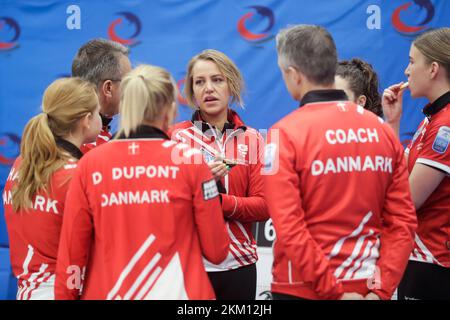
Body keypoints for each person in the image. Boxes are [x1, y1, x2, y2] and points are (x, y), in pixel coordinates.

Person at [263, 24, 417, 300]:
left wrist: (334, 292)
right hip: (366, 286)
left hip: (302, 288)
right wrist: (380, 290)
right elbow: (403, 223)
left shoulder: (283, 134)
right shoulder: (382, 131)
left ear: (293, 75)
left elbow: (288, 227)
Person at [55, 65, 230, 300]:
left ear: (126, 106)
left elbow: (71, 256)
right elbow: (217, 251)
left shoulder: (90, 163)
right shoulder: (191, 162)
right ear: (170, 110)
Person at [170, 49, 268, 300]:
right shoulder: (175, 138)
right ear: (191, 92)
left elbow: (264, 206)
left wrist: (215, 199)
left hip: (240, 266)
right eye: (199, 82)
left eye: (217, 79)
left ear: (231, 85)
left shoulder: (253, 139)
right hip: (189, 265)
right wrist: (200, 186)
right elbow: (165, 205)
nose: (208, 88)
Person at [3, 78, 101, 299]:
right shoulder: (76, 175)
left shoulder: (23, 162)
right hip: (65, 290)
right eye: (97, 113)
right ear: (86, 120)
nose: (100, 118)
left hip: (28, 291)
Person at [382, 27, 450, 300]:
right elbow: (397, 171)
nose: (407, 72)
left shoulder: (444, 125)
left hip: (434, 260)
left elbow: (406, 200)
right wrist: (393, 123)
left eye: (412, 62)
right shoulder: (432, 119)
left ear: (433, 69)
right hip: (418, 256)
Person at [71, 38, 132, 153]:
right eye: (128, 81)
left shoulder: (56, 134)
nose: (132, 88)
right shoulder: (97, 149)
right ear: (108, 88)